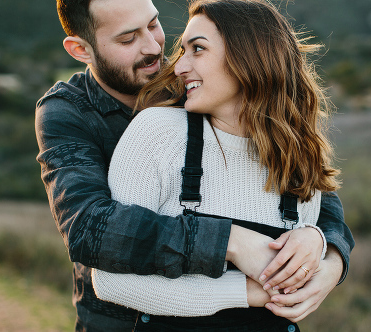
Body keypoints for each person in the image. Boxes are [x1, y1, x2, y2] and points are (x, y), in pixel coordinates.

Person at [34, 0, 354, 329]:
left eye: (153, 24)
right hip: (117, 322)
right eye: (128, 39)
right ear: (80, 50)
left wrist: (328, 252)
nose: (155, 47)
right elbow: (89, 227)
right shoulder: (70, 112)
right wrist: (231, 242)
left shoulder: (199, 83)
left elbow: (310, 188)